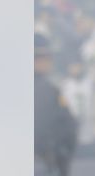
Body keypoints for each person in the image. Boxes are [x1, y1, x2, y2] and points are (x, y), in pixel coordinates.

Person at [35, 33, 79, 176]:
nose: (49, 62)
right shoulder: (47, 91)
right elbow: (67, 130)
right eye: (44, 58)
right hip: (42, 162)